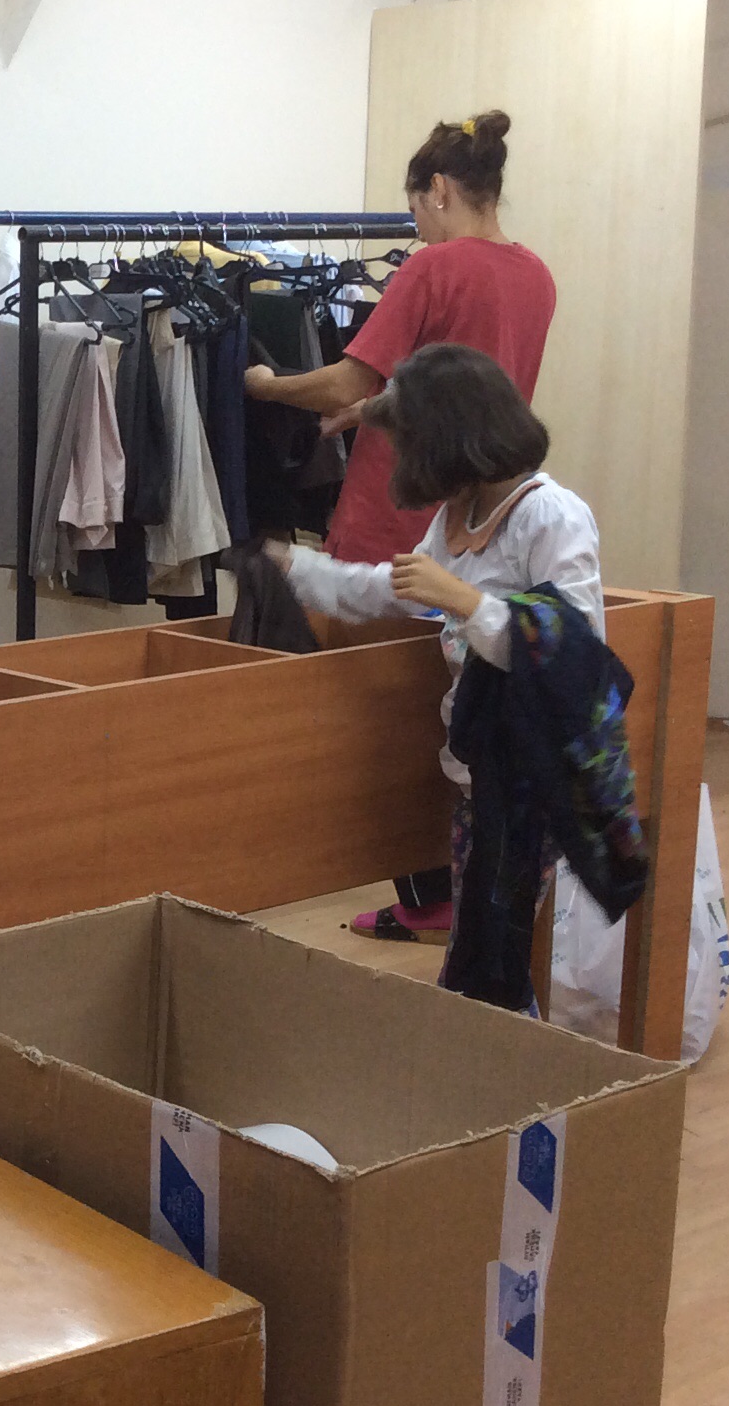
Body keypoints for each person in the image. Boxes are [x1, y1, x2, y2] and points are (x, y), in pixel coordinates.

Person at [246, 109, 557, 944]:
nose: (413, 225)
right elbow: (463, 388)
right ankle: (452, 889)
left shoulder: (431, 268)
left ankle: (427, 900)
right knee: (444, 706)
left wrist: (266, 385)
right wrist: (382, 408)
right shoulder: (536, 277)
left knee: (380, 721)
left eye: (415, 205)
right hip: (481, 515)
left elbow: (344, 381)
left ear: (441, 189)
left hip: (398, 509)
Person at [269, 344, 602, 996]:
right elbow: (392, 590)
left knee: (487, 966)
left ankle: (498, 1053)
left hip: (532, 780)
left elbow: (574, 653)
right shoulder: (459, 516)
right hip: (478, 774)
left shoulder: (551, 517)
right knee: (482, 957)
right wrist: (296, 569)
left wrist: (465, 602)